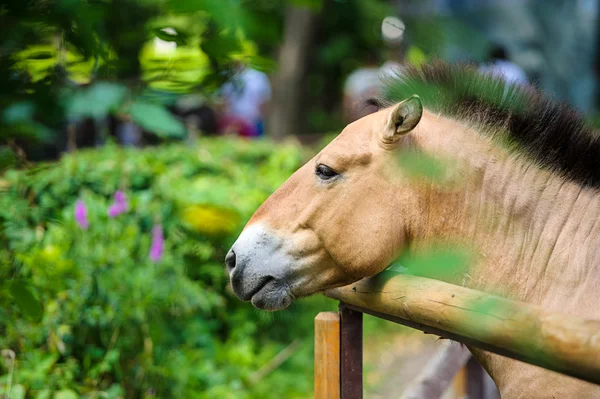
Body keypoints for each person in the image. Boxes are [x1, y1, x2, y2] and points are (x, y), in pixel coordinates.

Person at [220, 64, 272, 138]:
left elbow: (264, 101)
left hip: (254, 122)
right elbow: (224, 101)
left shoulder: (258, 76)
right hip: (232, 122)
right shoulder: (226, 76)